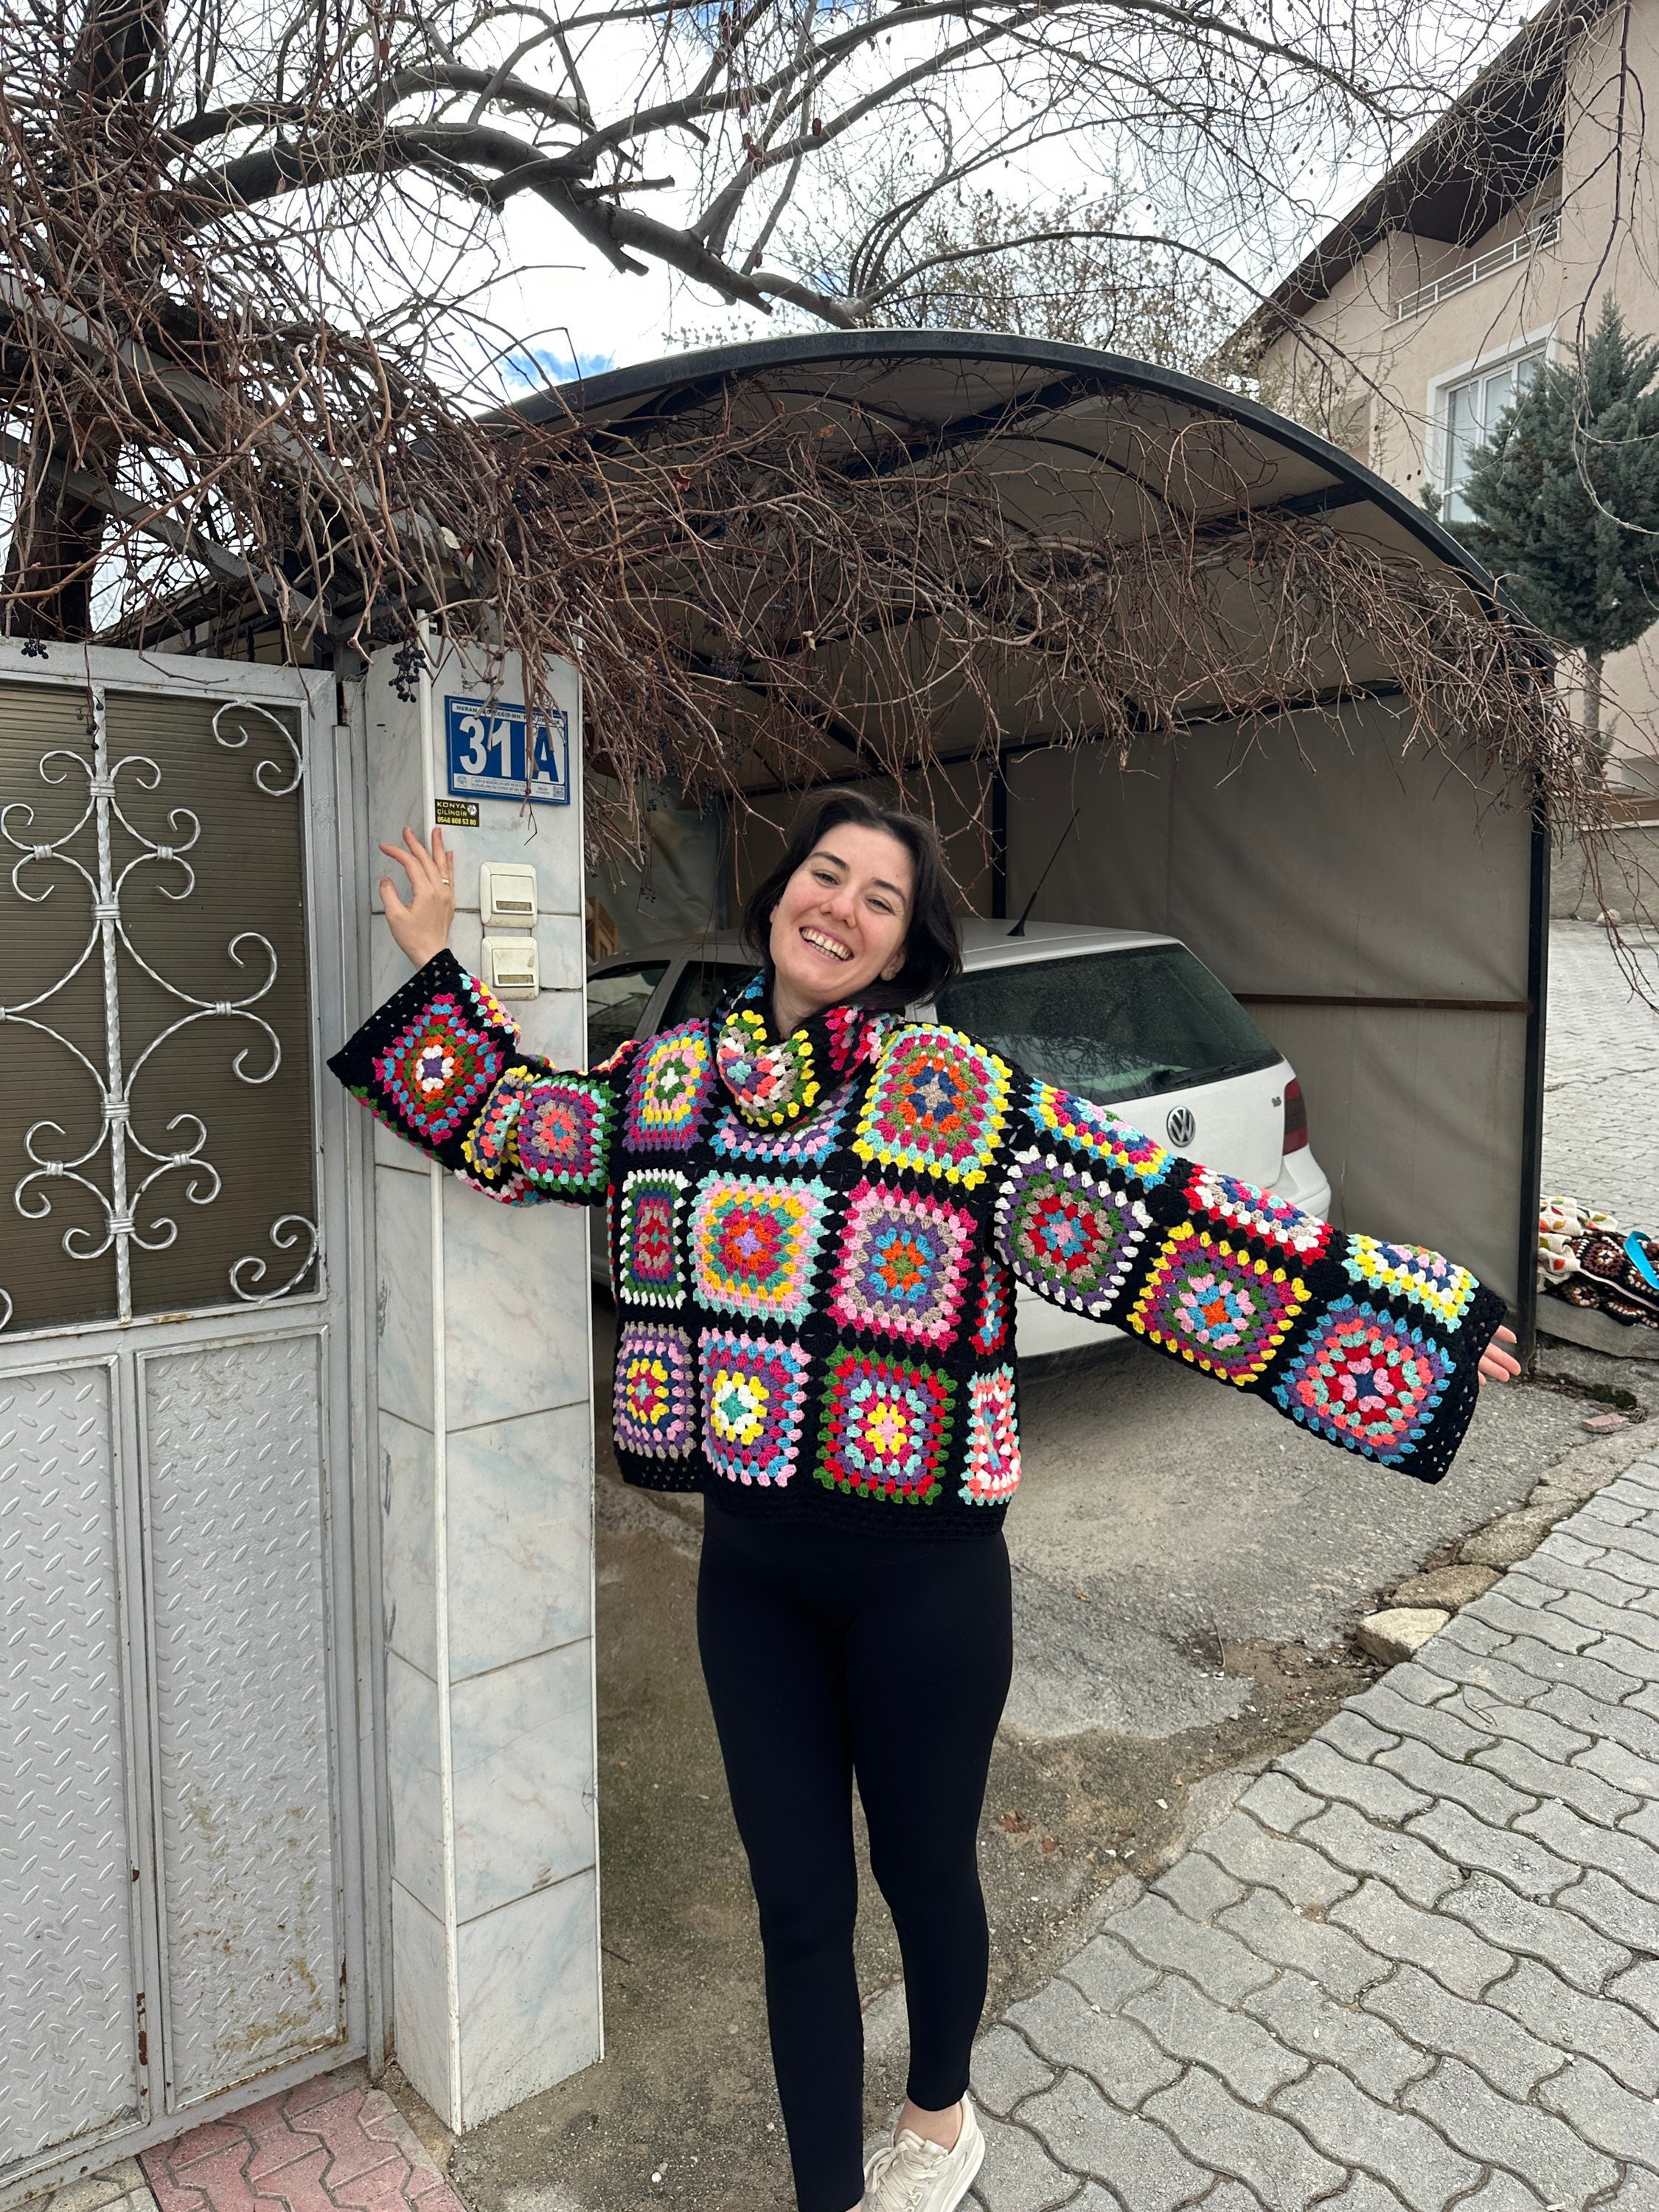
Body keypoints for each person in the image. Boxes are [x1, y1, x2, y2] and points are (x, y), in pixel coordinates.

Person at [331, 790, 1520, 2212]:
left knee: (920, 1872)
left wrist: (1418, 1316)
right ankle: (826, 2194)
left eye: (876, 898)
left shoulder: (954, 1097)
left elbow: (1171, 1226)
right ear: (778, 898)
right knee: (796, 1912)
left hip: (929, 1579)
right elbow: (520, 1128)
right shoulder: (666, 1085)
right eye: (821, 876)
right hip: (753, 1570)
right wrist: (431, 962)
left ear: (902, 950)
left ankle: (942, 2120)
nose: (837, 907)